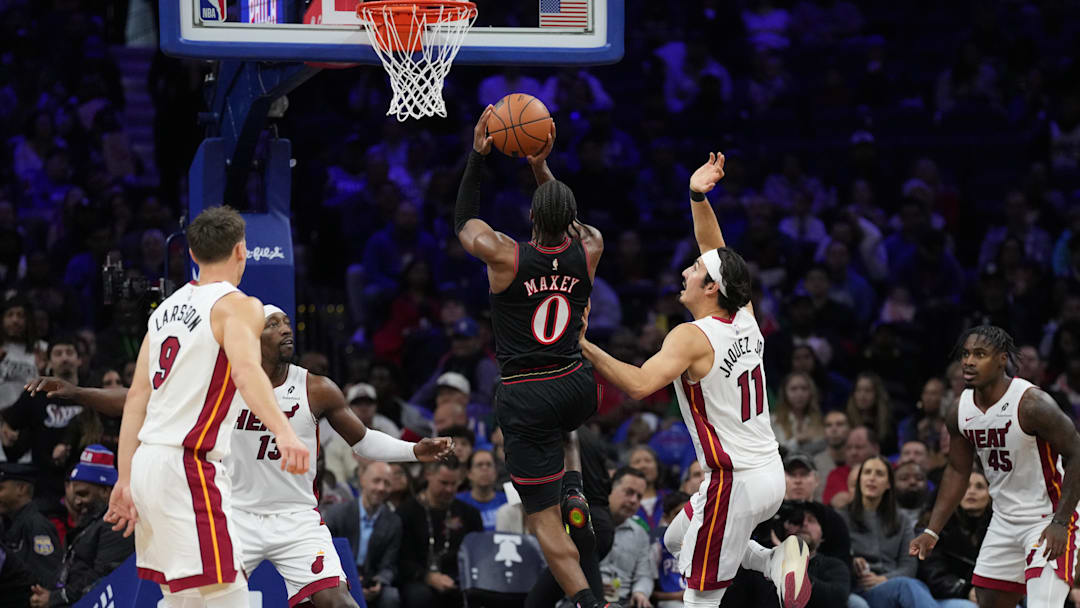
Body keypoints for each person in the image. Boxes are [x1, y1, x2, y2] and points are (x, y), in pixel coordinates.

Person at [580, 152, 810, 608]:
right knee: (674, 540)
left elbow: (641, 385)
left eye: (695, 271)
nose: (686, 271)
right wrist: (697, 196)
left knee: (698, 599)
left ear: (711, 289)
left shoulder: (691, 336)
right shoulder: (745, 316)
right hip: (769, 473)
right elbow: (715, 251)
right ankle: (775, 559)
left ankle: (773, 561)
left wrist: (583, 343)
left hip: (735, 481)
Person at [103, 206, 311, 608]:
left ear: (192, 256)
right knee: (227, 593)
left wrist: (125, 478)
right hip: (187, 465)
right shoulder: (239, 305)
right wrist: (285, 433)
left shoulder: (164, 311)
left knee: (185, 598)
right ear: (241, 251)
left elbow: (135, 399)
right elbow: (247, 373)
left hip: (148, 463)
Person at [455, 107, 608, 608]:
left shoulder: (505, 256)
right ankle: (574, 487)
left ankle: (589, 602)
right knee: (564, 426)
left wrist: (479, 157)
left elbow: (463, 222)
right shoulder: (590, 247)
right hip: (577, 384)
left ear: (530, 218)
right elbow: (566, 212)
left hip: (526, 394)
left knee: (541, 520)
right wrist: (541, 166)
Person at [911, 325, 1080, 608]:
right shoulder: (960, 410)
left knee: (1044, 604)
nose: (969, 361)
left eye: (980, 354)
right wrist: (932, 530)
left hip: (1048, 515)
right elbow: (957, 470)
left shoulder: (1031, 403)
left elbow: (1077, 453)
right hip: (1004, 518)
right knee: (989, 601)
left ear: (1002, 359)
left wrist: (1061, 522)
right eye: (965, 354)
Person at [29, 445, 134, 607]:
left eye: (84, 494)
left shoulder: (117, 522)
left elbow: (104, 576)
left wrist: (57, 597)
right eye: (75, 494)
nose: (77, 501)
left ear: (106, 491)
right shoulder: (92, 520)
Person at [840, 456, 936, 608]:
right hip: (860, 590)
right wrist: (852, 562)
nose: (872, 478)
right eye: (867, 472)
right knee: (907, 586)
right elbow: (835, 561)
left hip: (894, 585)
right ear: (859, 480)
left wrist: (884, 578)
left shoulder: (902, 520)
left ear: (888, 484)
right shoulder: (841, 517)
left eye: (879, 474)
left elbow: (909, 566)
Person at [397, 459, 483, 608]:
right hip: (418, 578)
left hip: (459, 578)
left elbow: (478, 555)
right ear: (428, 475)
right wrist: (428, 577)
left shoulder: (470, 513)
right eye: (444, 483)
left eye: (454, 484)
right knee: (420, 597)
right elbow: (401, 558)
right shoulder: (406, 512)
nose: (449, 489)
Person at [324, 462, 403, 608]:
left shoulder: (394, 522)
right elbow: (324, 552)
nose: (381, 488)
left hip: (371, 581)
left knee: (391, 597)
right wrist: (350, 580)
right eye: (376, 481)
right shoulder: (338, 513)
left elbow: (390, 564)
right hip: (339, 579)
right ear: (363, 480)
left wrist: (379, 581)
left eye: (387, 483)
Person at [917, 468, 992, 608]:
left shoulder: (997, 528)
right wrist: (966, 590)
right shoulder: (936, 528)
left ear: (990, 495)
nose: (972, 491)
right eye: (966, 486)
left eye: (980, 487)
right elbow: (933, 575)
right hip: (942, 596)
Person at [0, 463, 61, 590]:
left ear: (21, 489)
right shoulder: (6, 523)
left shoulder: (37, 526)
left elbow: (47, 578)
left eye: (1, 489)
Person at [599, 467, 654, 607]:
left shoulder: (640, 533)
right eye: (629, 493)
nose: (634, 500)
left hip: (623, 602)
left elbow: (644, 575)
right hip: (584, 597)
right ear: (610, 489)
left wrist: (640, 592)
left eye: (639, 496)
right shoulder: (586, 523)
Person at [822, 426, 880, 508]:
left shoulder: (889, 470)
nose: (853, 453)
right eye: (849, 448)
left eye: (859, 447)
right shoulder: (836, 474)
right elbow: (841, 501)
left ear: (875, 449)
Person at [771, 372, 826, 457]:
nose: (799, 394)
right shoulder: (774, 421)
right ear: (785, 393)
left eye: (804, 389)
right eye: (793, 389)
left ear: (811, 392)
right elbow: (774, 451)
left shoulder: (820, 420)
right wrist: (797, 440)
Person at [653, 491, 692, 608]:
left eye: (689, 513)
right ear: (666, 518)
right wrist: (677, 596)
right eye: (678, 514)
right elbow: (651, 593)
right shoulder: (657, 545)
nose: (685, 519)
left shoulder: (705, 541)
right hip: (670, 603)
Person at [456, 449, 507, 531]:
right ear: (469, 473)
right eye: (479, 465)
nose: (484, 468)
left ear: (495, 473)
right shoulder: (458, 502)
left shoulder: (507, 501)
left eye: (489, 464)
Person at [628, 445, 669, 531]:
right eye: (637, 462)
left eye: (648, 460)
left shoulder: (670, 497)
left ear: (657, 466)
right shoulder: (624, 502)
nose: (643, 466)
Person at [813, 411, 850, 491]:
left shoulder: (857, 460)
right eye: (828, 425)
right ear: (824, 431)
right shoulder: (815, 464)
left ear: (849, 429)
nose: (834, 429)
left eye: (840, 424)